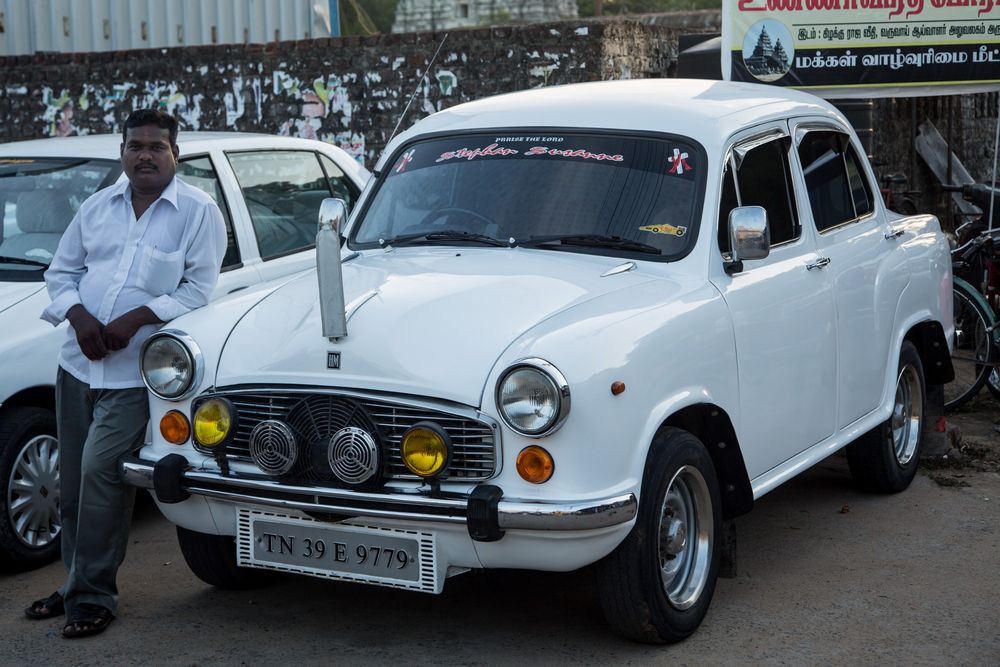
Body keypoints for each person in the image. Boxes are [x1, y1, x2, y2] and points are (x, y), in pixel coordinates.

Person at [23, 109, 226, 638]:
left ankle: (93, 597)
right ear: (123, 152)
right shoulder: (96, 207)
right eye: (135, 145)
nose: (145, 155)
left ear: (175, 154)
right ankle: (75, 584)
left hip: (135, 377)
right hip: (78, 364)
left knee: (100, 477)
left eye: (157, 147)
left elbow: (198, 291)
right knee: (72, 486)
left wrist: (136, 318)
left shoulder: (197, 212)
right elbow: (61, 272)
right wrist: (81, 317)